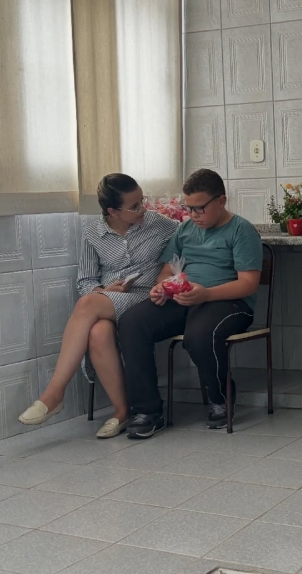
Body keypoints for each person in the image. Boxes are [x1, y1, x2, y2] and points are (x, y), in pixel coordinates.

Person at [18, 173, 179, 438]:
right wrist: (105, 291)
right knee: (97, 332)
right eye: (135, 206)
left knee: (87, 305)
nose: (143, 209)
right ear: (113, 211)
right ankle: (122, 412)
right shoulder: (93, 233)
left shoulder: (160, 224)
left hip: (146, 298)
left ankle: (54, 393)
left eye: (142, 200)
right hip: (110, 299)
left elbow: (187, 237)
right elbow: (85, 281)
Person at [119, 168, 262, 439]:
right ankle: (147, 411)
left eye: (200, 208)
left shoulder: (241, 230)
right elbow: (166, 271)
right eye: (189, 208)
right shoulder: (185, 230)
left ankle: (220, 398)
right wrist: (162, 288)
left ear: (221, 201)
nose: (194, 215)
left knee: (199, 334)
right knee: (131, 322)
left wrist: (206, 295)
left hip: (229, 302)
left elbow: (248, 284)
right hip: (186, 298)